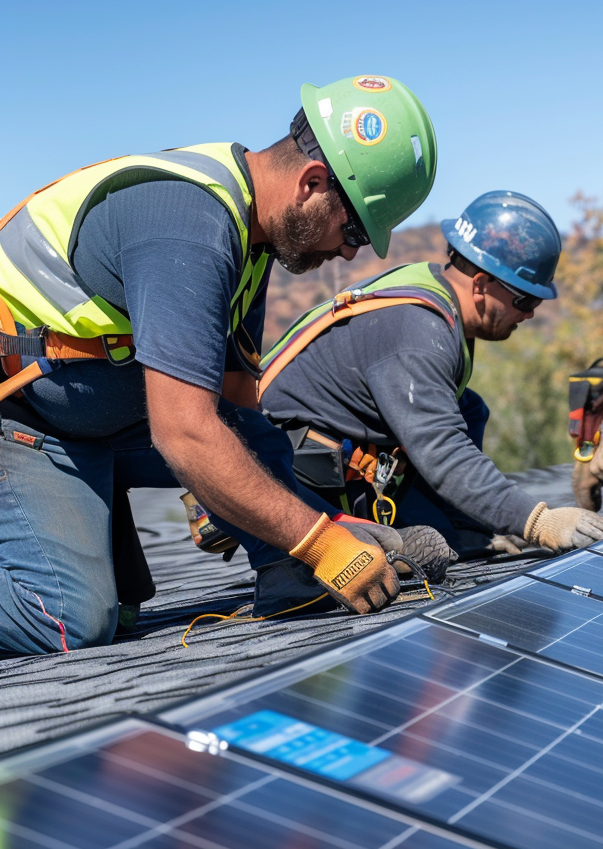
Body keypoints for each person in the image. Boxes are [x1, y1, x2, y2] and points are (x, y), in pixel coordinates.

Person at [0, 75, 437, 654]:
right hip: (28, 419)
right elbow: (185, 432)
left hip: (102, 417)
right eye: (353, 227)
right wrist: (317, 544)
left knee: (247, 439)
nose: (351, 250)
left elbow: (238, 406)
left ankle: (285, 577)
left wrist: (320, 526)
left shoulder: (251, 236)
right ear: (311, 184)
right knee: (70, 620)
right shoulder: (190, 226)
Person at [259, 190, 603, 561]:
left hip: (336, 457)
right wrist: (537, 522)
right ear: (480, 285)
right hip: (281, 477)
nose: (530, 314)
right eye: (524, 300)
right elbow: (444, 452)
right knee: (397, 558)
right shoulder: (419, 332)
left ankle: (459, 526)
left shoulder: (440, 301)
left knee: (468, 407)